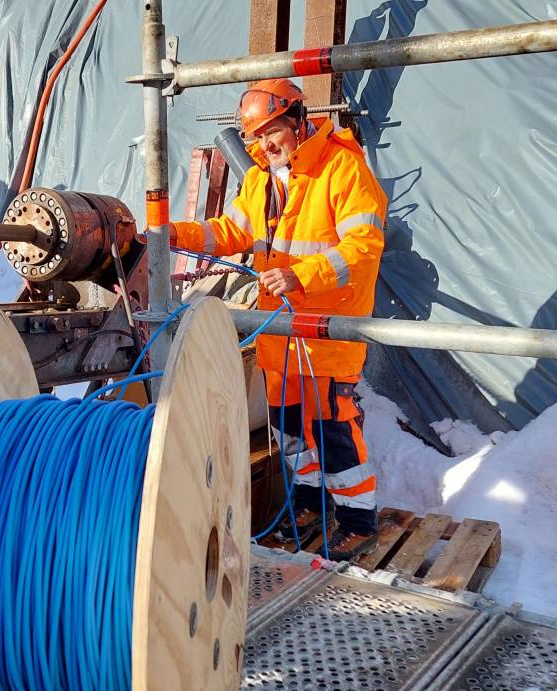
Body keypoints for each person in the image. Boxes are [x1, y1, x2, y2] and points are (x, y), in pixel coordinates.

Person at [167, 78, 388, 559]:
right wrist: (173, 235)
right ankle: (308, 505)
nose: (266, 145)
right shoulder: (261, 181)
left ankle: (358, 520)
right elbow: (230, 231)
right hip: (281, 337)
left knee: (333, 430)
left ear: (298, 121)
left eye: (273, 132)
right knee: (289, 431)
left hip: (326, 334)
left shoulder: (343, 169)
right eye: (256, 138)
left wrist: (300, 276)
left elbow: (363, 249)